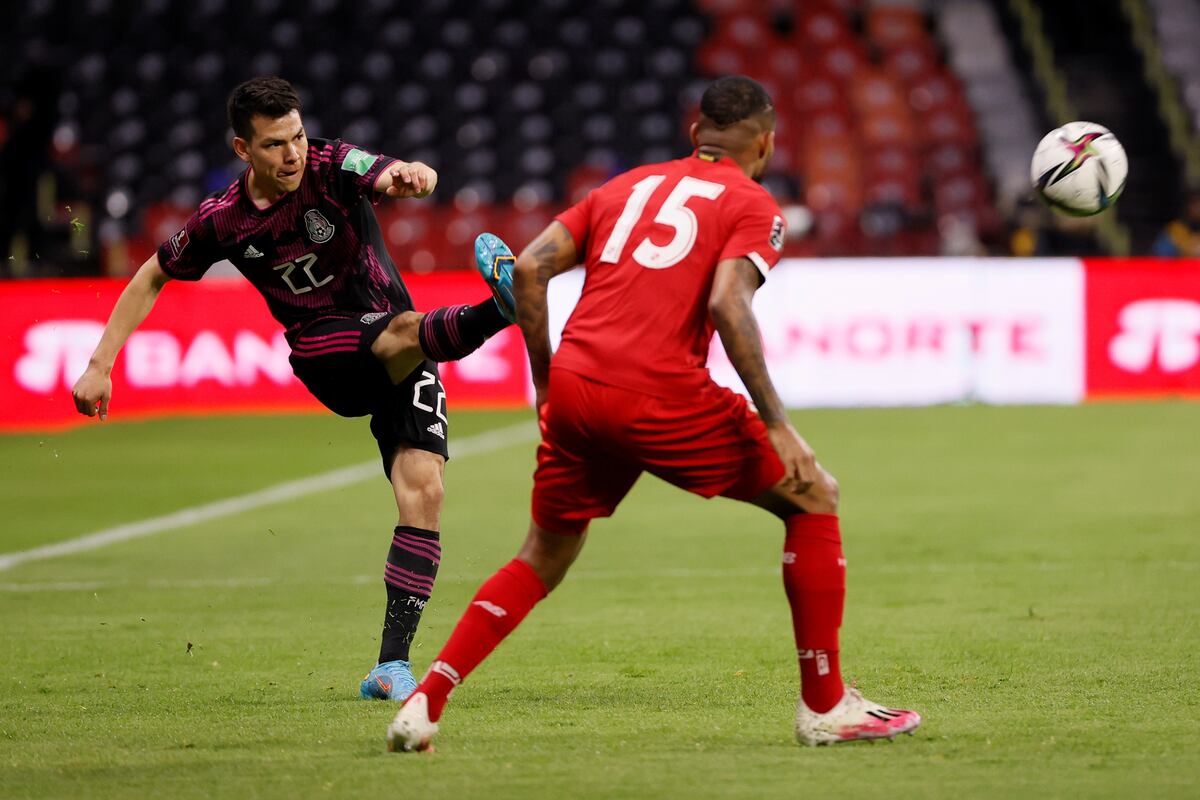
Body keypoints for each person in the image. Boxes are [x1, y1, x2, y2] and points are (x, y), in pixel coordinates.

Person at [387, 76, 921, 751]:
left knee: (542, 555)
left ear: (695, 135)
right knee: (814, 495)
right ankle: (825, 706)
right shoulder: (754, 204)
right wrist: (779, 422)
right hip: (657, 390)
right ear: (766, 143)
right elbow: (730, 304)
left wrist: (547, 382)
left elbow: (526, 268)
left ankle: (424, 704)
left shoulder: (622, 188)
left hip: (578, 386)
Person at [70, 76, 518, 702]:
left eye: (299, 137)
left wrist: (414, 173)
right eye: (276, 144)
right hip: (325, 350)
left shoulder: (331, 163)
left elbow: (388, 172)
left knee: (425, 492)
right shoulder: (222, 221)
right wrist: (99, 363)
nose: (294, 154)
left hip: (403, 349)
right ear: (241, 149)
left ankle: (391, 667)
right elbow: (151, 274)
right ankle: (506, 308)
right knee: (406, 331)